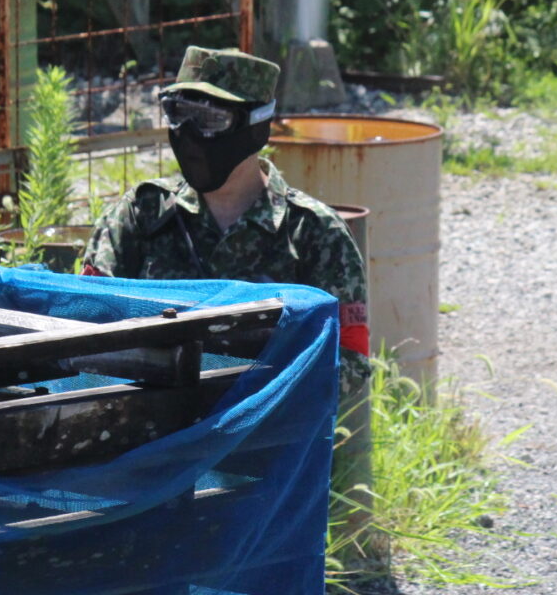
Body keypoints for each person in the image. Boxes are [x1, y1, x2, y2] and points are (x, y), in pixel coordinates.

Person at [82, 46, 370, 384]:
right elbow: (85, 324)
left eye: (211, 119)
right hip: (145, 412)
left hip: (266, 417)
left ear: (256, 127)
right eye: (178, 113)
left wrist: (254, 397)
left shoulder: (313, 232)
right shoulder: (142, 214)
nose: (189, 132)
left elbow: (349, 360)